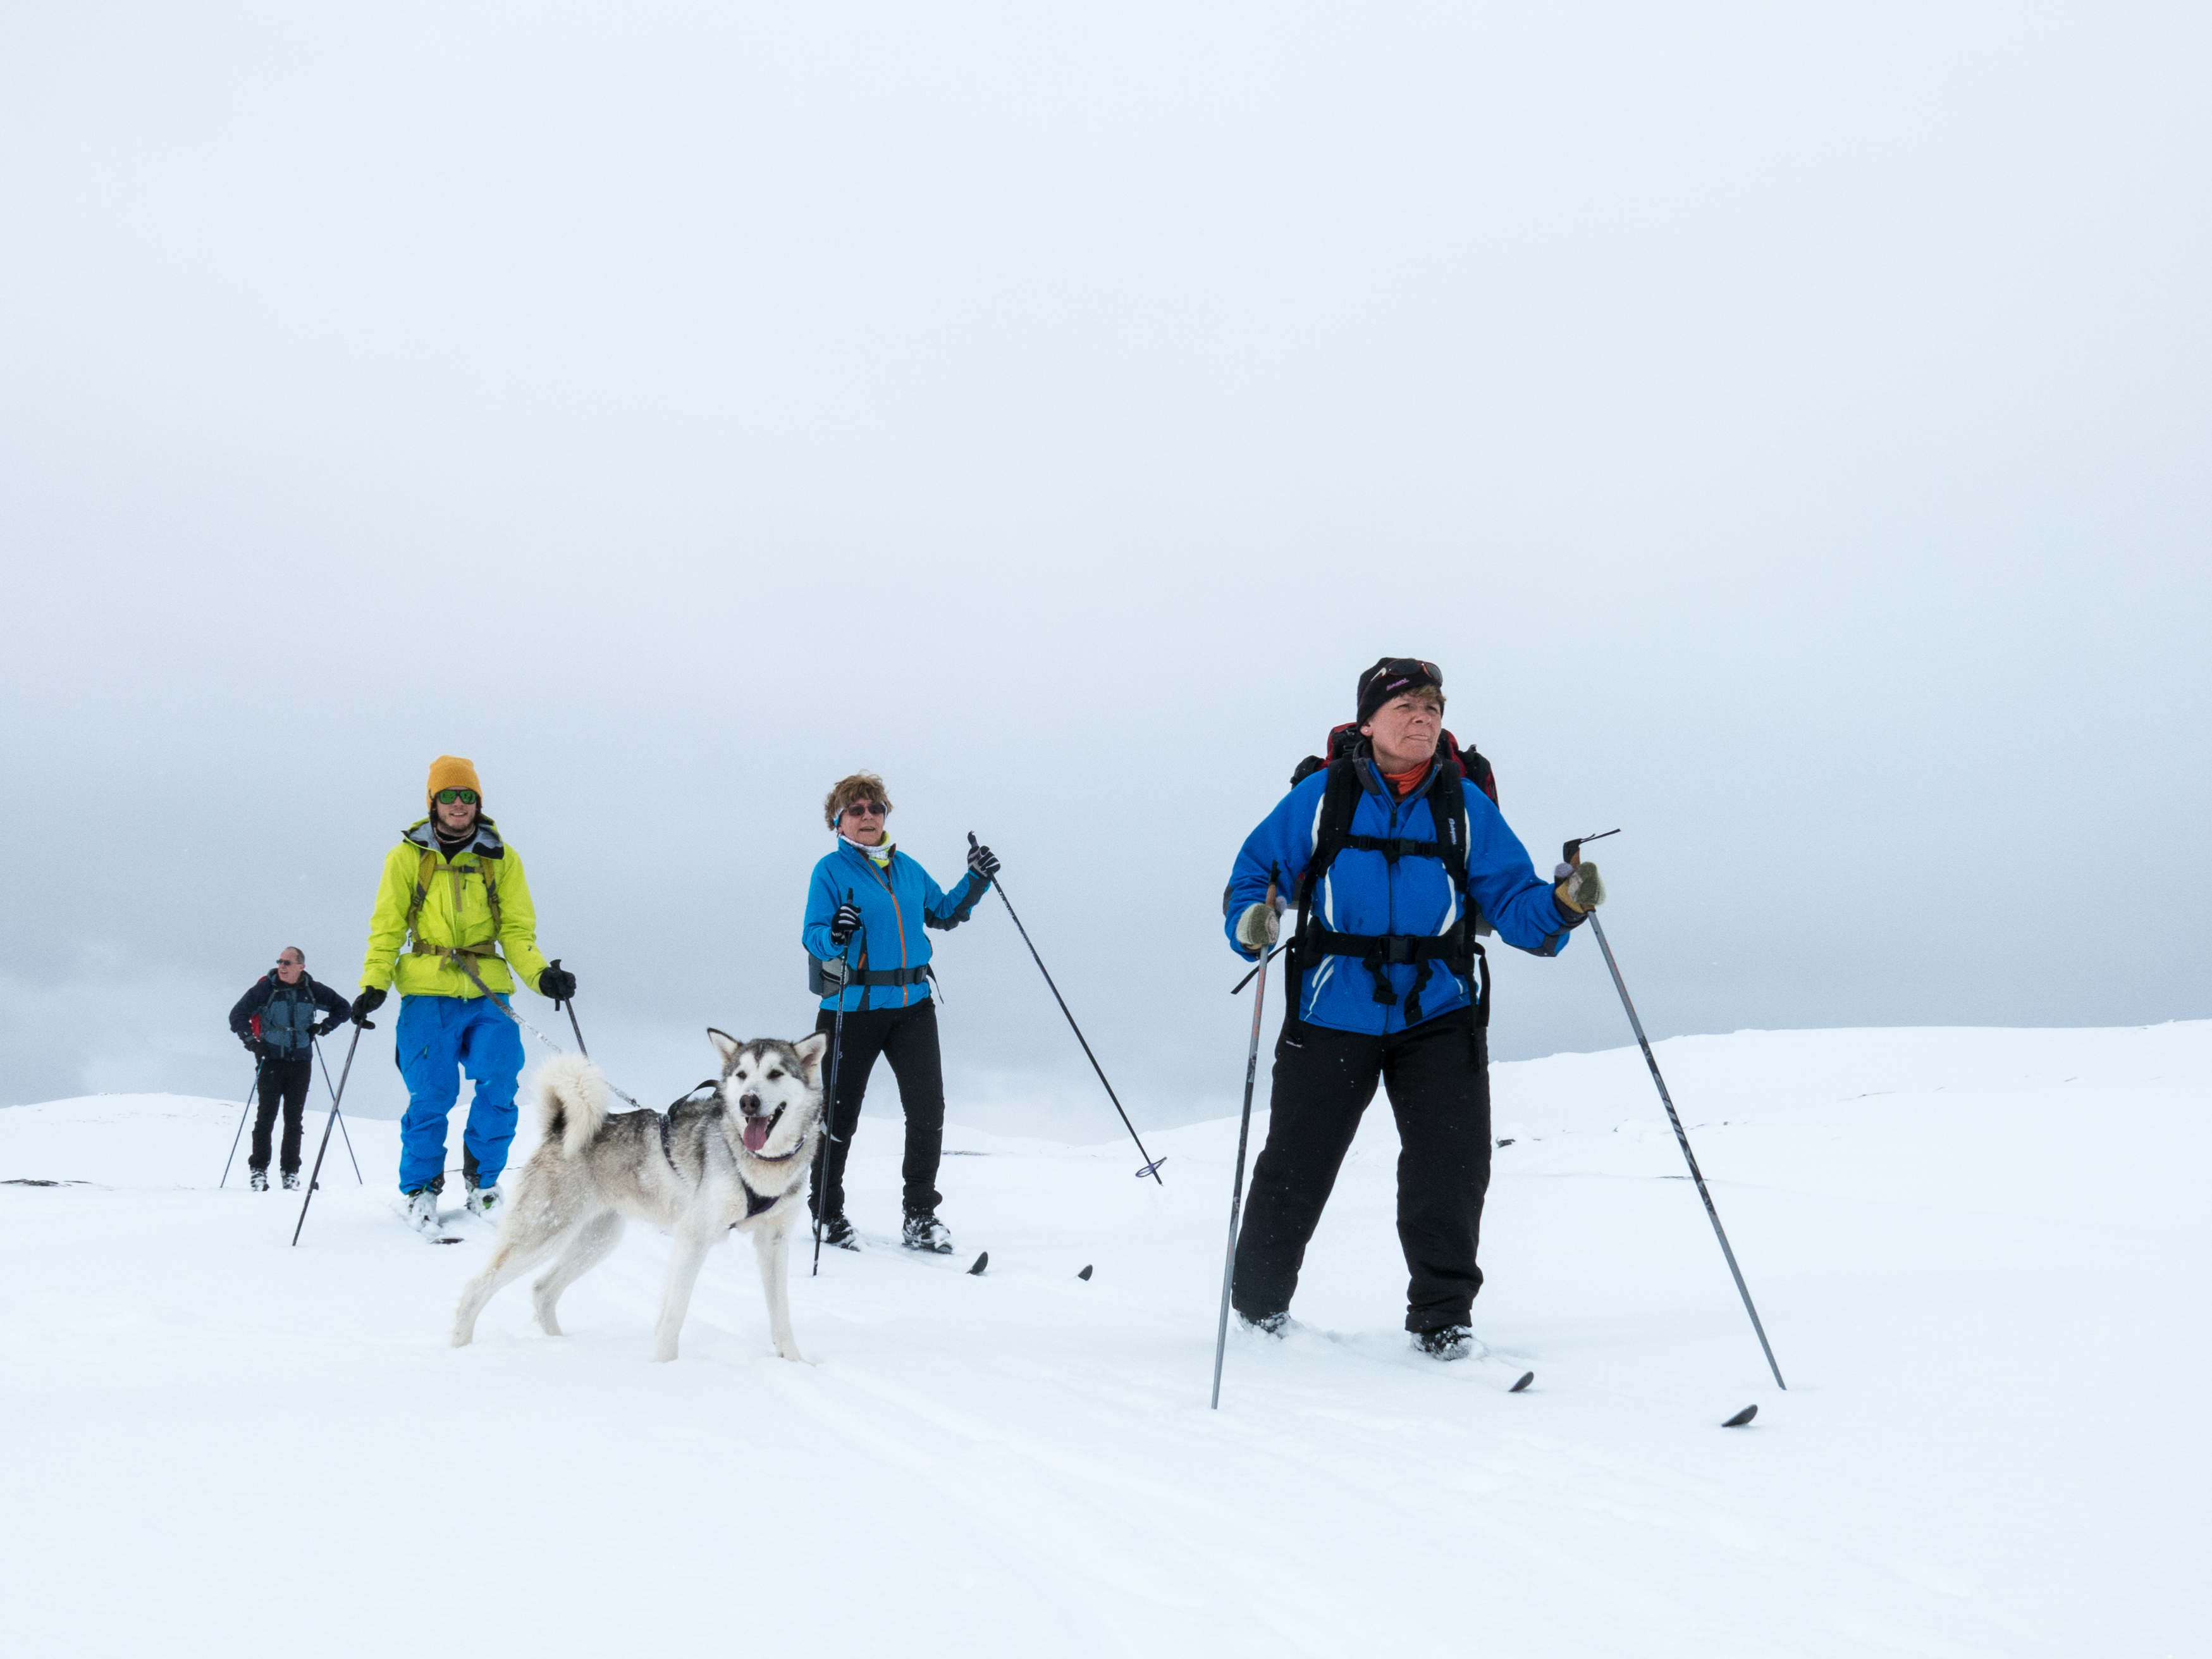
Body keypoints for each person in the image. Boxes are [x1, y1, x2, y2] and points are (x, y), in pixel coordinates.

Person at [1220, 657, 1608, 1359]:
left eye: (1433, 707)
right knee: (1296, 1166)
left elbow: (1515, 904)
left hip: (1440, 1011)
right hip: (1332, 1006)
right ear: (1368, 722)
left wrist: (1563, 905)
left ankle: (1442, 1320)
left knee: (1450, 1169)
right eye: (1406, 707)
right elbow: (1255, 875)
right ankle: (1257, 1311)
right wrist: (1252, 920)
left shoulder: (1465, 805)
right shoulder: (1320, 796)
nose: (1423, 718)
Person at [350, 756, 576, 1229]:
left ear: (478, 802)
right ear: (433, 801)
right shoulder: (406, 858)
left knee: (499, 1087)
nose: (459, 804)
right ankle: (420, 1191)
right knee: (431, 1095)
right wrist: (374, 982)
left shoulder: (501, 858)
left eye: (468, 795)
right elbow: (387, 928)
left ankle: (484, 1185)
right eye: (449, 795)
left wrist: (540, 975)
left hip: (488, 992)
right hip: (426, 993)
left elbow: (516, 930)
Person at [801, 772, 998, 1253]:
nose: (868, 816)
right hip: (852, 1007)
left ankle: (920, 1215)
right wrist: (838, 933)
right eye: (856, 810)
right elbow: (814, 935)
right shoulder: (830, 871)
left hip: (912, 1006)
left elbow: (945, 911)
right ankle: (826, 1213)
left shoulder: (907, 869)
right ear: (839, 822)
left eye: (875, 808)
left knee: (928, 1110)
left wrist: (977, 878)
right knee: (837, 1117)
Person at [226, 947, 352, 1191]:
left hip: (301, 1061)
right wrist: (252, 1043)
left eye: (287, 962)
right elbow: (237, 1014)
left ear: (301, 967)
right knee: (266, 1116)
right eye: (280, 961)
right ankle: (259, 1171)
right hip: (270, 1058)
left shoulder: (312, 990)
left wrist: (323, 1028)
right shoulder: (266, 988)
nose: (282, 966)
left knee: (294, 1120)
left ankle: (290, 1173)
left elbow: (343, 1009)